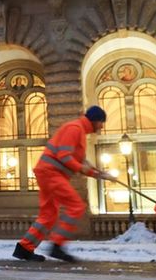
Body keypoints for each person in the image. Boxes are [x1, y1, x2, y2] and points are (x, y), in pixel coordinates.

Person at [13, 105, 118, 263]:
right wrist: (84, 168)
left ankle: (24, 248)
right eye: (101, 122)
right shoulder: (74, 128)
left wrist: (99, 174)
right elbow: (64, 156)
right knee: (76, 206)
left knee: (49, 214)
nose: (102, 126)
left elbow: (80, 161)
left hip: (48, 172)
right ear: (95, 120)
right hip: (51, 173)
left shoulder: (79, 131)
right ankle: (57, 245)